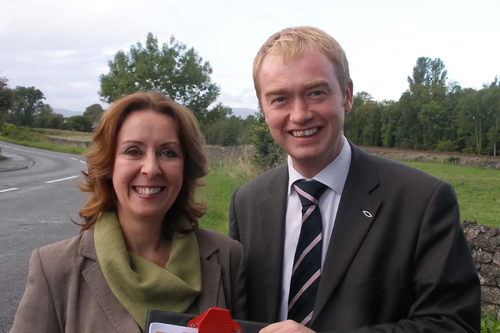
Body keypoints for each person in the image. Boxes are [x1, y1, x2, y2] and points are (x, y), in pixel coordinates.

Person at [229, 26, 480, 333]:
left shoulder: (422, 201)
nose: (299, 114)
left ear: (346, 95)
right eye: (279, 98)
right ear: (262, 108)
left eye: (316, 92)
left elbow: (453, 324)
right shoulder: (246, 202)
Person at [11, 92, 246, 333]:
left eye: (168, 153)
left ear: (186, 167)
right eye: (133, 151)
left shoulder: (228, 258)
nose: (151, 169)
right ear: (109, 164)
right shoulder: (54, 268)